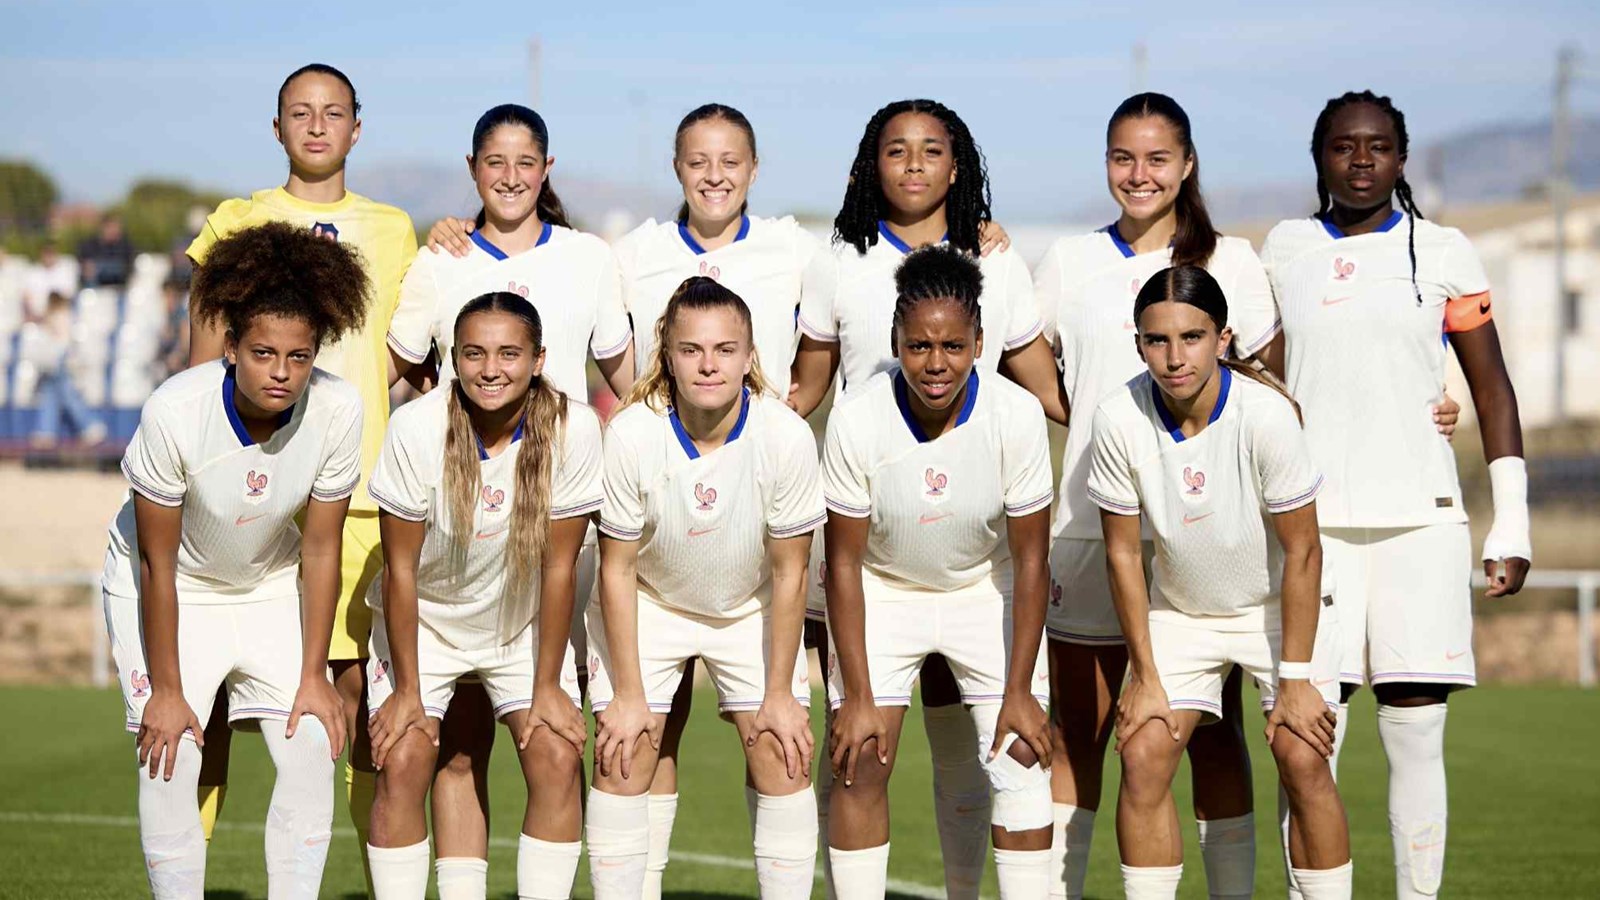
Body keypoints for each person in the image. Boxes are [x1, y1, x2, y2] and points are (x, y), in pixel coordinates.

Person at [1260, 89, 1530, 900]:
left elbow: (1493, 391)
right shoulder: (1283, 248)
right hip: (1314, 536)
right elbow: (1254, 372)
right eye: (1344, 146)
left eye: (1379, 146)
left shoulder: (1445, 250)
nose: (1363, 160)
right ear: (1321, 158)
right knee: (1308, 741)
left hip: (1424, 524)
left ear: (1402, 158)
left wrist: (1509, 522)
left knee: (1418, 736)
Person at [790, 98, 1054, 899]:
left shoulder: (997, 262)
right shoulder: (839, 258)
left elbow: (1042, 379)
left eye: (930, 150)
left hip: (975, 556)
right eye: (895, 150)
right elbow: (805, 385)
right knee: (859, 752)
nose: (912, 165)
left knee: (1004, 754)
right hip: (878, 541)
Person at [1030, 92, 1272, 899]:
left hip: (1201, 536)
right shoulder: (1069, 261)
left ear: (1188, 164)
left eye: (1157, 158)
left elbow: (1266, 382)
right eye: (1122, 158)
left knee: (1208, 732)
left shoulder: (1232, 261)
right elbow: (1021, 356)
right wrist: (1087, 417)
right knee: (1082, 732)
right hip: (1089, 527)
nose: (1139, 174)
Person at [184, 63, 418, 883]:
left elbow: (407, 357)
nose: (317, 126)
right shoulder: (238, 221)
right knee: (205, 703)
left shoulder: (394, 230)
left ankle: (346, 874)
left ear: (358, 127)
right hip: (241, 506)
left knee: (344, 703)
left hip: (352, 507)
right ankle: (183, 867)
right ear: (276, 126)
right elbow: (199, 364)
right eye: (300, 113)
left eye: (333, 114)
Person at [391, 104, 632, 892]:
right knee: (452, 746)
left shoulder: (590, 257)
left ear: (547, 168)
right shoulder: (443, 259)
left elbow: (625, 386)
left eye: (525, 161)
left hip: (550, 516)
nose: (510, 176)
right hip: (457, 527)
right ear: (472, 169)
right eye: (494, 161)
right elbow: (403, 376)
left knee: (553, 744)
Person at [101, 220, 369, 898]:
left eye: (300, 356)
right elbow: (157, 565)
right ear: (230, 347)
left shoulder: (338, 409)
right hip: (167, 587)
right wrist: (165, 691)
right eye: (263, 352)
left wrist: (315, 674)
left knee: (313, 744)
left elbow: (321, 546)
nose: (281, 372)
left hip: (268, 585)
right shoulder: (174, 411)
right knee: (171, 754)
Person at [1091, 264, 1352, 900]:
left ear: (1223, 338)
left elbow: (1304, 550)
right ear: (1138, 343)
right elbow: (1124, 556)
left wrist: (1294, 683)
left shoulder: (1265, 416)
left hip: (1276, 611)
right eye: (1158, 340)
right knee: (1145, 755)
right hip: (1180, 615)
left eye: (1192, 337)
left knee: (1301, 753)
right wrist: (1146, 677)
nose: (1175, 356)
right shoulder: (1116, 417)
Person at [585, 276, 821, 899]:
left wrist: (778, 693)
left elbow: (791, 570)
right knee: (625, 750)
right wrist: (630, 695)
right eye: (691, 349)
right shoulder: (633, 432)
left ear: (750, 356)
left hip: (749, 608)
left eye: (724, 349)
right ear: (667, 354)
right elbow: (617, 567)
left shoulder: (786, 437)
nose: (709, 364)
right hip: (650, 601)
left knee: (782, 747)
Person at [364, 291, 603, 900]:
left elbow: (558, 565)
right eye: (473, 353)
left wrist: (548, 686)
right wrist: (410, 694)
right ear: (452, 358)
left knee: (555, 756)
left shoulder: (575, 429)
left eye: (508, 354)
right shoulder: (416, 427)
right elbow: (399, 569)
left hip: (520, 628)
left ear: (539, 358)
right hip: (425, 624)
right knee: (404, 758)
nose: (490, 369)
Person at [28, 291, 107, 447]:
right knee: (51, 395)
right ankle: (47, 432)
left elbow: (63, 341)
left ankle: (90, 426)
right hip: (53, 363)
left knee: (67, 395)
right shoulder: (57, 317)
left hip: (62, 362)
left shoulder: (61, 315)